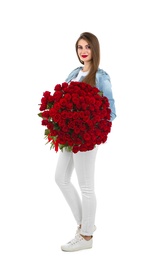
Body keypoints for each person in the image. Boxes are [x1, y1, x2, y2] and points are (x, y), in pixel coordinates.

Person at [55, 32, 116, 252]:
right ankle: (85, 223)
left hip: (87, 137)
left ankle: (86, 236)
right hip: (69, 136)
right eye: (80, 47)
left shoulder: (101, 76)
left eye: (88, 47)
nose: (83, 51)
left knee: (86, 186)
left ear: (95, 50)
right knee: (60, 178)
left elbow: (111, 111)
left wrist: (91, 126)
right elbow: (61, 102)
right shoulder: (73, 73)